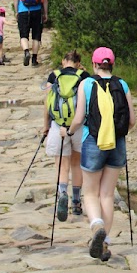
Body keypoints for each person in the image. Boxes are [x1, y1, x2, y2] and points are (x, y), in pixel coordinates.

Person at [63, 47, 136, 262]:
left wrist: (69, 132)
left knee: (91, 193)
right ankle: (104, 243)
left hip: (93, 142)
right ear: (112, 64)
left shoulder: (86, 84)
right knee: (107, 195)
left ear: (94, 65)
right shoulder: (122, 84)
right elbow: (132, 120)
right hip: (117, 144)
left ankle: (96, 227)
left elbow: (79, 118)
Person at [43, 51, 90, 221]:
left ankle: (62, 193)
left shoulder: (54, 76)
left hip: (58, 125)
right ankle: (76, 202)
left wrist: (46, 127)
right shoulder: (84, 76)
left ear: (63, 61)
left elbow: (47, 102)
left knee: (62, 165)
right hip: (78, 125)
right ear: (78, 63)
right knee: (77, 164)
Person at [13, 0, 49, 67]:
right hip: (37, 11)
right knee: (36, 36)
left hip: (23, 11)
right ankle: (34, 59)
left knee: (23, 35)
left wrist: (16, 11)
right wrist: (45, 13)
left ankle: (26, 51)